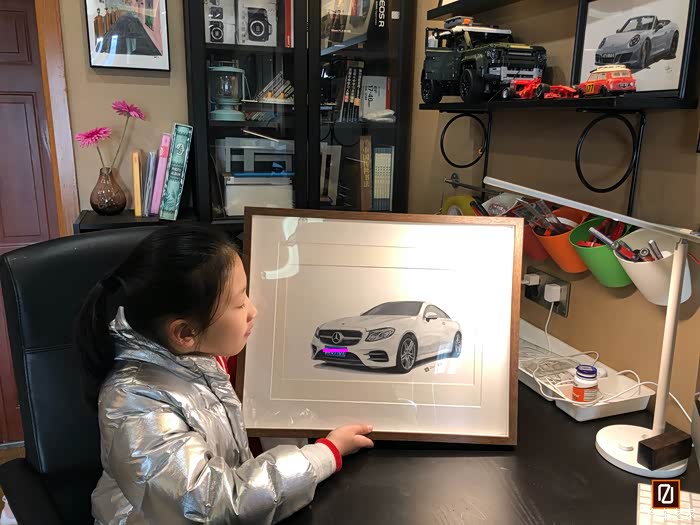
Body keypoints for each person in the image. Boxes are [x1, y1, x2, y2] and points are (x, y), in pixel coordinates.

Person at [76, 224, 374, 524]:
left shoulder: (197, 354)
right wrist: (325, 454)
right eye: (240, 302)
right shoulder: (135, 404)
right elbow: (211, 504)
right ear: (185, 333)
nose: (253, 311)